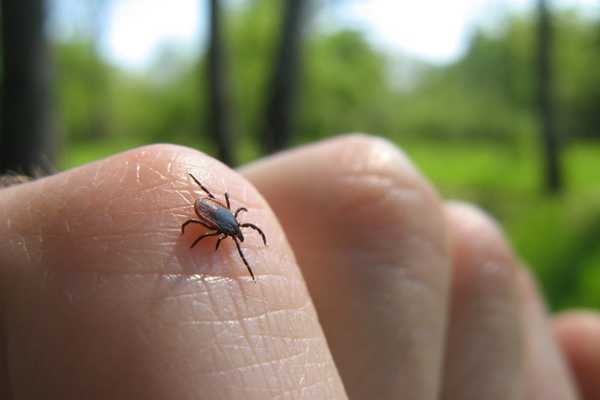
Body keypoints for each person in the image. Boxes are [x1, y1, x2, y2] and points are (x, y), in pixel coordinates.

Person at [0, 134, 598, 399]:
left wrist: (214, 226)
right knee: (185, 216)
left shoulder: (218, 225)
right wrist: (210, 221)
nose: (231, 233)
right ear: (225, 224)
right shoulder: (219, 222)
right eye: (229, 230)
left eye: (231, 231)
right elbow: (202, 219)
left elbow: (207, 222)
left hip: (203, 203)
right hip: (199, 201)